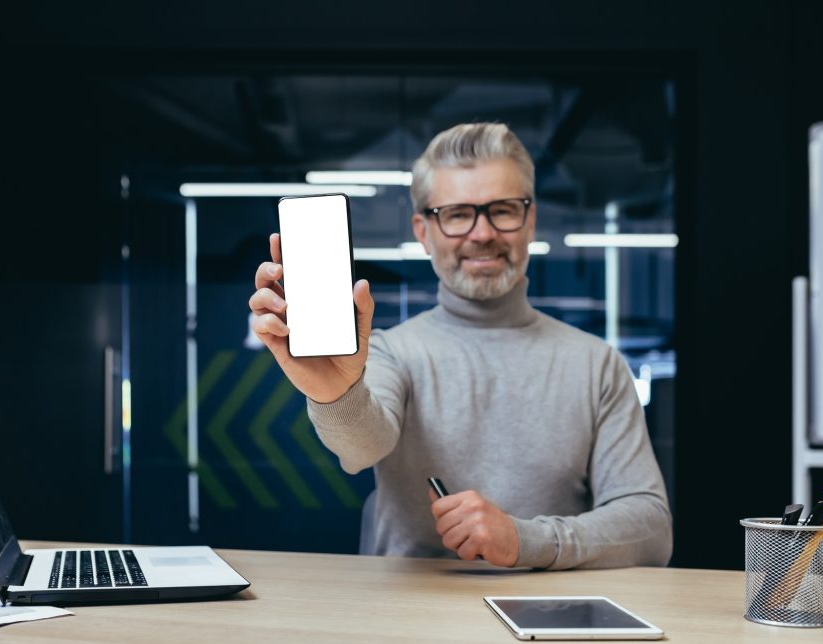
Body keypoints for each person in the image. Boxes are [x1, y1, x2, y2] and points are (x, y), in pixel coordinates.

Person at [249, 122, 672, 570]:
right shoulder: (392, 352)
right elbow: (360, 450)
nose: (482, 233)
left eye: (503, 210)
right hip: (407, 609)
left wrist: (526, 540)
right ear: (423, 231)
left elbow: (651, 530)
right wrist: (335, 393)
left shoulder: (597, 364)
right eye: (456, 214)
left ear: (530, 220)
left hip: (549, 608)